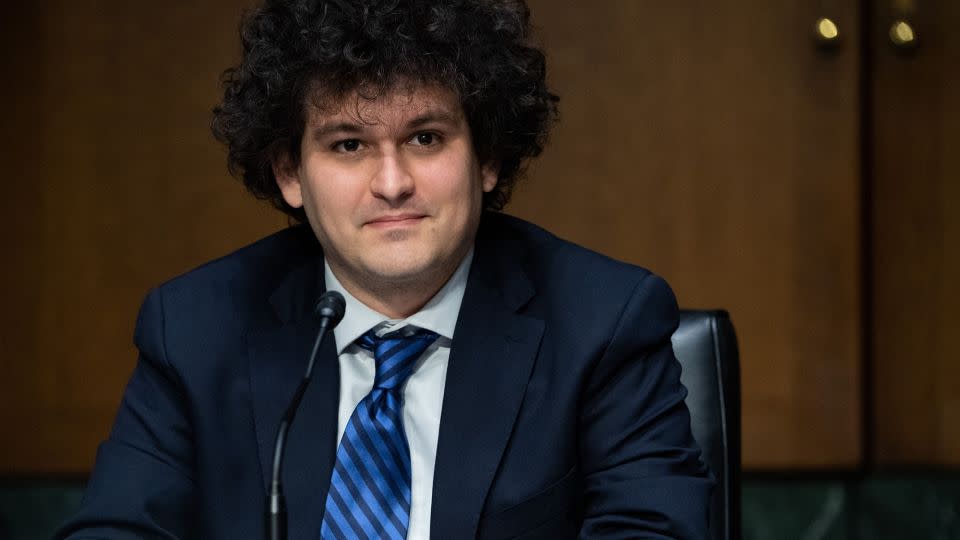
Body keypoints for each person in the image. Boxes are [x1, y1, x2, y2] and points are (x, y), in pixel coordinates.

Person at [57, 0, 712, 538]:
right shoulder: (196, 329)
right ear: (290, 173)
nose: (392, 183)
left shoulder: (604, 322)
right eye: (349, 145)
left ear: (486, 158)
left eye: (425, 138)